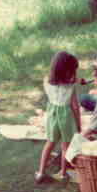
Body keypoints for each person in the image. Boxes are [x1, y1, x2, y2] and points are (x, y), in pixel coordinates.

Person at [35, 51, 81, 182]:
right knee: (66, 145)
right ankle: (63, 173)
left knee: (49, 143)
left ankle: (41, 172)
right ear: (68, 71)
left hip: (52, 113)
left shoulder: (46, 81)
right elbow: (75, 106)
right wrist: (78, 124)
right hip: (66, 115)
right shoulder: (70, 86)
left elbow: (59, 85)